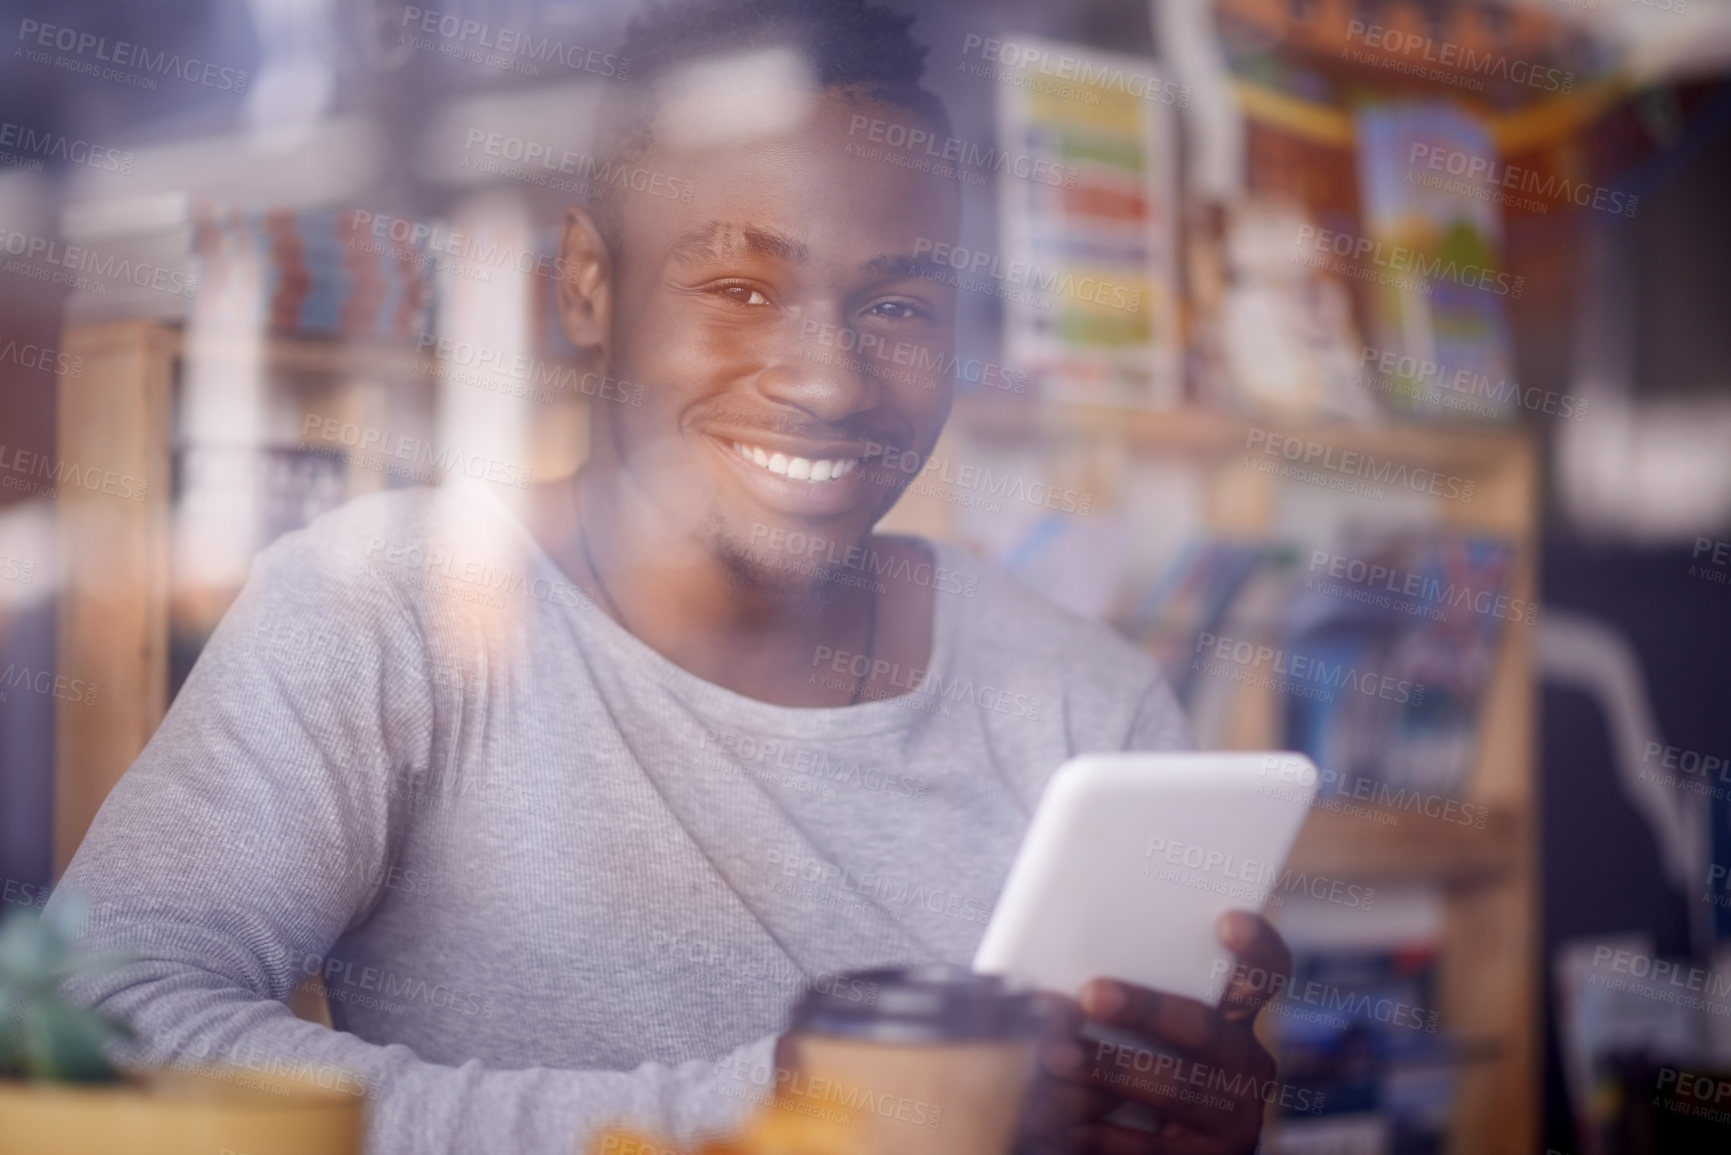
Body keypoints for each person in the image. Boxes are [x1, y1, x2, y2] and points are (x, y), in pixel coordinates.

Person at [54, 2, 1290, 1152]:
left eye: (901, 306)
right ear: (590, 286)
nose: (829, 380)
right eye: (741, 288)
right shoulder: (386, 605)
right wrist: (773, 1116)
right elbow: (95, 1024)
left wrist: (1192, 1124)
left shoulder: (1086, 705)